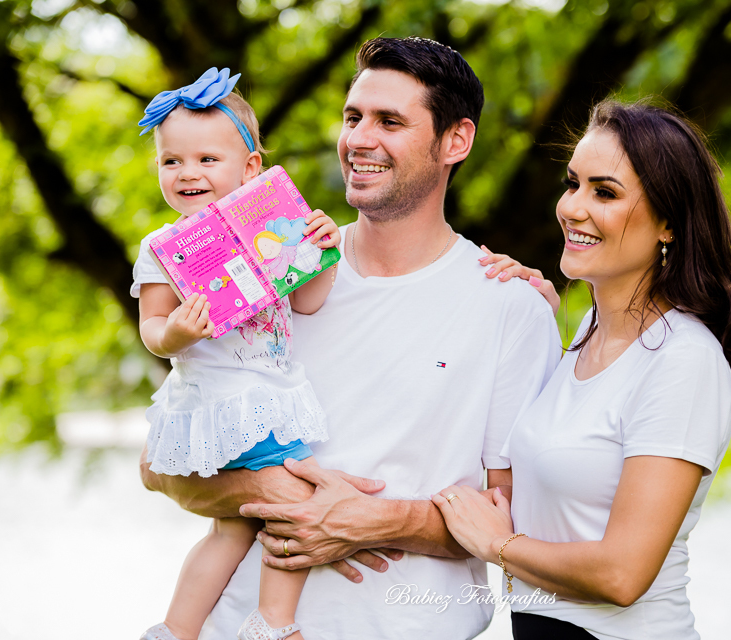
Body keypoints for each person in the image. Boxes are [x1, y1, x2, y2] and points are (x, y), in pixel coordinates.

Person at [139, 38, 562, 639]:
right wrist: (276, 493)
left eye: (390, 121)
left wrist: (374, 521)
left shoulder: (511, 307)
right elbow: (158, 465)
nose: (360, 139)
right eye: (352, 117)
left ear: (456, 141)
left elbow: (523, 525)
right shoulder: (273, 267)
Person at [432, 100, 731, 639]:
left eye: (605, 192)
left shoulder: (683, 359)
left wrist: (494, 545)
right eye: (574, 184)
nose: (573, 207)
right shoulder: (590, 327)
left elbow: (622, 574)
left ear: (668, 224)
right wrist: (529, 319)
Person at [131, 68, 341, 640]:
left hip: (267, 390)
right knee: (296, 502)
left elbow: (311, 301)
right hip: (224, 397)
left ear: (251, 168)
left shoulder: (274, 225)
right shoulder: (160, 247)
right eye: (171, 161)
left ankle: (176, 629)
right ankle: (273, 623)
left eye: (206, 160)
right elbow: (151, 328)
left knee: (230, 529)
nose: (187, 173)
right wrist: (177, 333)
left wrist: (322, 248)